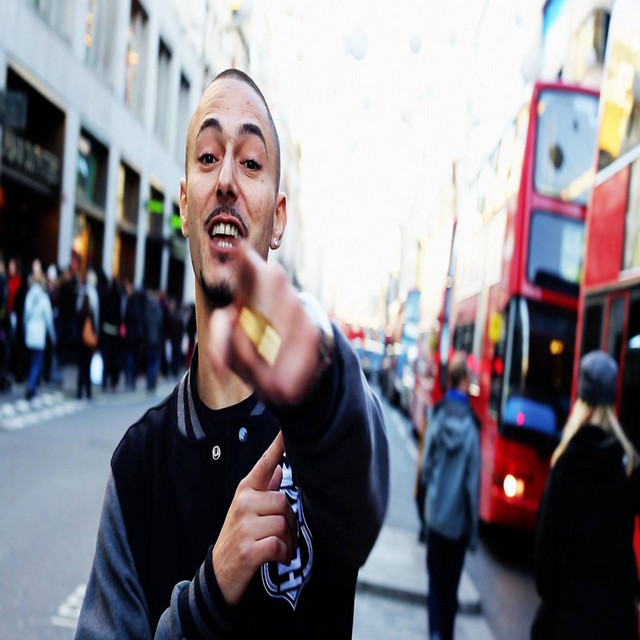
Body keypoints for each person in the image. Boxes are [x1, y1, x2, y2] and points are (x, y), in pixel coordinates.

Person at [75, 68, 389, 639]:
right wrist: (209, 596)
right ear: (184, 204)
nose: (225, 180)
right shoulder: (137, 466)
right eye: (207, 157)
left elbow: (360, 502)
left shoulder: (322, 422)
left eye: (249, 163)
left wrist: (318, 388)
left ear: (279, 218)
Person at [533, 350, 640, 640]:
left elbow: (545, 555)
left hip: (572, 618)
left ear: (580, 397)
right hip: (617, 621)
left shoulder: (565, 464)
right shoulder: (629, 465)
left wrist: (560, 600)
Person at [418, 353, 480, 640]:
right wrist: (473, 532)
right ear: (463, 381)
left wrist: (427, 505)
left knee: (434, 584)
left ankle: (434, 633)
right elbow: (472, 484)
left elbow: (425, 467)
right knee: (450, 591)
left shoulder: (438, 414)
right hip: (457, 525)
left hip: (435, 517)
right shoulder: (472, 426)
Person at [23, 260, 57, 400]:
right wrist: (53, 335)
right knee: (37, 361)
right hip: (39, 334)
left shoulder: (30, 296)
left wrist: (25, 329)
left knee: (31, 360)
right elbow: (49, 319)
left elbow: (25, 315)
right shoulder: (44, 298)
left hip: (30, 332)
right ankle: (31, 386)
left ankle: (31, 384)